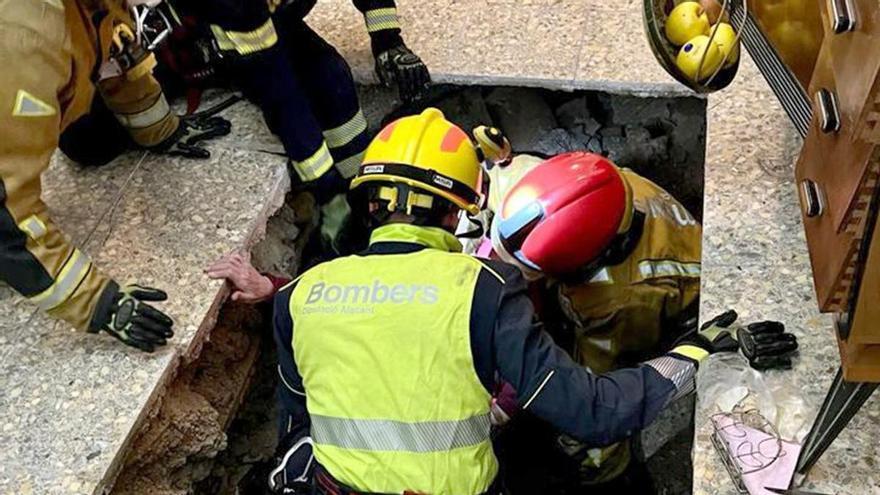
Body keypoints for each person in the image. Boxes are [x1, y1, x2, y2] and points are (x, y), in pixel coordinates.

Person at [264, 108, 739, 494]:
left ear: (369, 203)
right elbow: (594, 413)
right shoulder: (483, 289)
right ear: (456, 212)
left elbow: (299, 420)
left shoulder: (297, 296)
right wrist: (691, 356)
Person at [0, 0, 227, 351]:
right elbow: (7, 209)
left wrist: (161, 129)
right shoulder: (23, 45)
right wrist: (98, 302)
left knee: (94, 143)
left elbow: (117, 45)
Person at [484, 151, 702, 491]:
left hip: (669, 303)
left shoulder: (616, 301)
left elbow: (598, 398)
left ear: (579, 270)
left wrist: (597, 464)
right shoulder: (583, 185)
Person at [175, 0, 431, 250]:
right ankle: (338, 199)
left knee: (334, 79)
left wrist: (387, 41)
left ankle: (360, 184)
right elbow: (282, 97)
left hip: (273, 21)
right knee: (313, 88)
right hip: (216, 39)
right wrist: (328, 192)